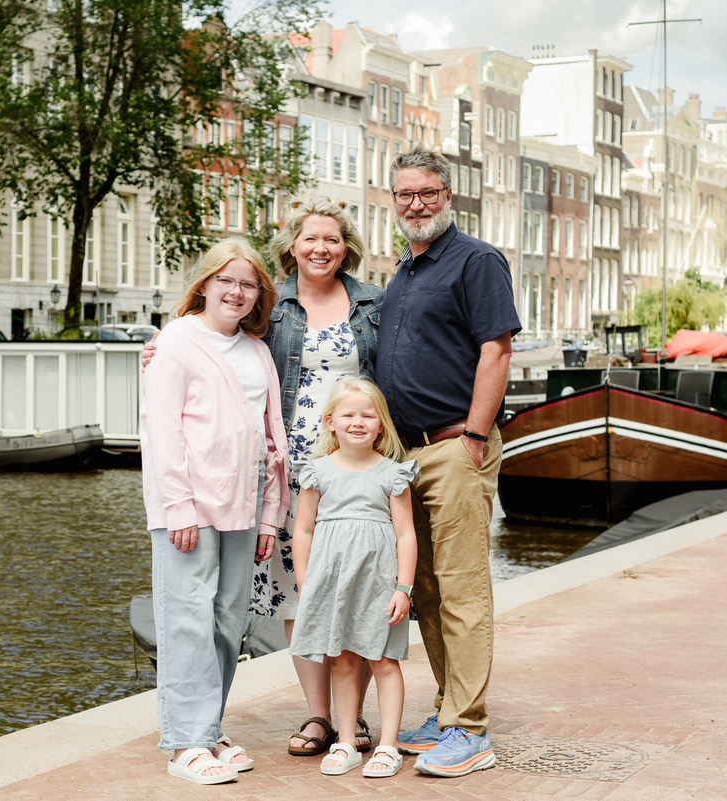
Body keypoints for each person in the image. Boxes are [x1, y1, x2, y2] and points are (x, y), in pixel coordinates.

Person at [143, 195, 384, 756]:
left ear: (346, 246)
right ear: (291, 248)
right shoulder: (270, 313)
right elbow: (189, 374)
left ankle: (351, 719)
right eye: (309, 239)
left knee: (347, 592)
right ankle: (313, 717)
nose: (321, 248)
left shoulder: (375, 303)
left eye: (332, 239)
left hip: (343, 469)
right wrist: (158, 347)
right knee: (294, 597)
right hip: (284, 475)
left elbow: (394, 367)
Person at [378, 145, 521, 778]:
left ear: (448, 195)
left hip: (454, 446)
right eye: (405, 195)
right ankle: (447, 708)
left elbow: (496, 351)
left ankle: (470, 729)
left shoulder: (477, 260)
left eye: (427, 193)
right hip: (409, 455)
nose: (416, 204)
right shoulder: (403, 271)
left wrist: (472, 436)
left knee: (461, 590)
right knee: (427, 592)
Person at [140, 237, 290, 785]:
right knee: (186, 620)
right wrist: (178, 505)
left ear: (259, 296)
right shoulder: (176, 343)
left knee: (229, 621)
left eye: (248, 284)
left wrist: (271, 513)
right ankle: (184, 742)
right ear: (203, 284)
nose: (236, 291)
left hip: (245, 504)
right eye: (225, 280)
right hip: (191, 506)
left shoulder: (258, 352)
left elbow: (272, 440)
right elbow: (163, 431)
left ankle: (208, 726)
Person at [289, 379, 418, 779]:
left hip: (378, 583)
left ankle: (388, 746)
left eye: (368, 414)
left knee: (383, 660)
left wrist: (404, 588)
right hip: (332, 583)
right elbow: (304, 531)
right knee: (342, 662)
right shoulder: (317, 472)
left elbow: (405, 534)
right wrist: (306, 581)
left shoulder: (392, 474)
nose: (358, 422)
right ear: (330, 422)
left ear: (381, 425)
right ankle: (345, 741)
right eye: (348, 414)